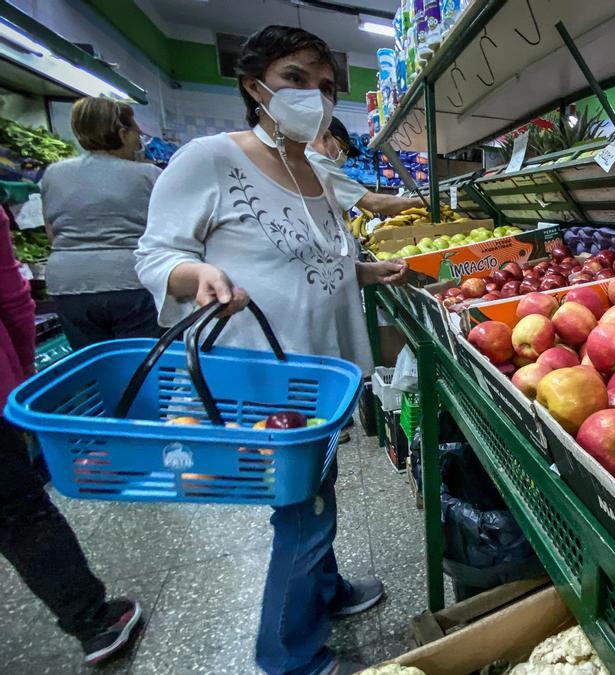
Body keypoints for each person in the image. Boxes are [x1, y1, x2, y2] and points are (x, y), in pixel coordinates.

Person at [134, 25, 405, 675]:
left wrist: (363, 272)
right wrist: (193, 276)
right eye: (294, 78)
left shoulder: (314, 167)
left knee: (319, 485)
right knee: (301, 513)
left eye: (326, 85)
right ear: (254, 85)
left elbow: (319, 254)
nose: (314, 95)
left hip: (322, 368)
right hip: (266, 372)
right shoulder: (210, 159)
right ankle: (289, 655)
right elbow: (155, 251)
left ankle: (326, 588)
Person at [0, 209, 143, 666]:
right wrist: (21, 370)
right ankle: (92, 623)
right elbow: (13, 298)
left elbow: (51, 231)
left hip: (71, 285)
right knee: (21, 518)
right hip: (126, 283)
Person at [40, 97, 163, 349]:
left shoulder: (53, 173)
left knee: (92, 364)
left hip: (68, 283)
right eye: (136, 135)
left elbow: (52, 233)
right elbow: (168, 234)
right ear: (121, 133)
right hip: (132, 282)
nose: (139, 142)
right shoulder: (149, 175)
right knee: (141, 367)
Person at [305, 116, 424, 217]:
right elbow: (373, 202)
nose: (340, 154)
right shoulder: (317, 163)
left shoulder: (305, 158)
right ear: (326, 136)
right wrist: (419, 202)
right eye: (341, 147)